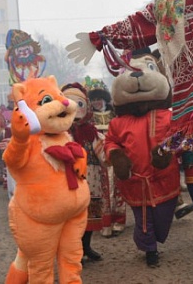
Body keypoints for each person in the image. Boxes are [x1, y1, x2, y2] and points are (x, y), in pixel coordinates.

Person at [62, 82, 105, 264]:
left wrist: (111, 156)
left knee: (90, 213)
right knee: (71, 216)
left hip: (92, 177)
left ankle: (86, 246)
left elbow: (102, 151)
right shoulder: (59, 131)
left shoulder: (90, 130)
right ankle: (73, 250)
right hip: (67, 179)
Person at [88, 87, 126, 238]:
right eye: (94, 99)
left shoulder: (114, 115)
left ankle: (119, 221)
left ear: (104, 99)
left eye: (99, 99)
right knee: (97, 189)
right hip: (95, 160)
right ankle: (99, 223)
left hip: (113, 156)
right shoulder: (88, 118)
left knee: (117, 190)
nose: (97, 102)